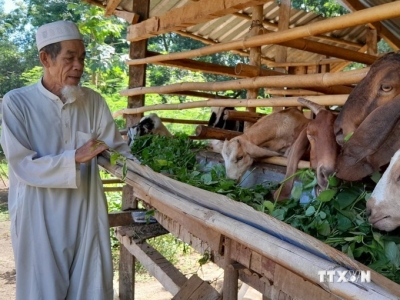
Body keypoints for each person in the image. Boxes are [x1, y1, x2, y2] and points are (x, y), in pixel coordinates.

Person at [1, 20, 131, 300]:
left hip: (86, 207)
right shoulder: (17, 103)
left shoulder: (93, 101)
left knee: (91, 286)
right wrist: (75, 156)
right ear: (45, 59)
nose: (79, 66)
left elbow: (117, 149)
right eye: (69, 58)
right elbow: (21, 162)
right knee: (42, 290)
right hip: (39, 212)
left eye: (82, 58)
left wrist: (152, 171)